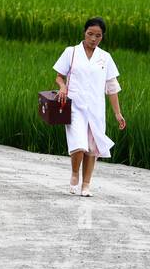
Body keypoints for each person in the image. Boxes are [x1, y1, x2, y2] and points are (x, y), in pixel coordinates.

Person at [53, 17, 126, 197]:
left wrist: (117, 113)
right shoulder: (71, 52)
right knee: (79, 144)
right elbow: (59, 76)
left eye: (98, 36)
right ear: (84, 33)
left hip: (95, 108)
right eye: (90, 34)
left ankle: (86, 185)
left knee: (92, 148)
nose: (93, 39)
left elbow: (112, 87)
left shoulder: (105, 57)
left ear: (102, 37)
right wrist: (62, 87)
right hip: (75, 106)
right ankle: (74, 172)